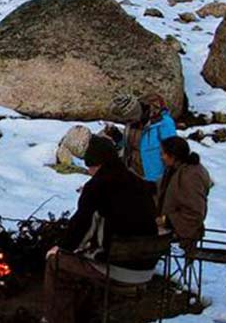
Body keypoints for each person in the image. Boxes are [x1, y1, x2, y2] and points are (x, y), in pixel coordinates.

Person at [43, 136, 159, 323]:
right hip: (146, 267)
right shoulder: (138, 183)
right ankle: (84, 314)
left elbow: (81, 227)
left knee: (56, 262)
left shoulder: (97, 186)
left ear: (96, 164)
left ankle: (56, 319)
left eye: (89, 166)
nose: (88, 172)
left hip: (118, 269)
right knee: (84, 262)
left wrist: (62, 248)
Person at [156, 136, 212, 253]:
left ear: (174, 155)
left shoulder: (190, 175)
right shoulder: (173, 169)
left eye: (164, 154)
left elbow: (195, 213)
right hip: (169, 228)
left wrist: (167, 221)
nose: (161, 157)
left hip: (182, 236)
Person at [108, 93, 177, 182]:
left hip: (157, 181)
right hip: (134, 178)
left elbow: (174, 154)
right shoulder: (132, 125)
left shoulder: (163, 124)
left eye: (130, 119)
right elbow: (128, 147)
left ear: (136, 113)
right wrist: (116, 136)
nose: (128, 122)